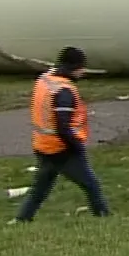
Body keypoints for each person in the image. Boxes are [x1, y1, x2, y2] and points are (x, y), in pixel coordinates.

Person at [14, 46, 113, 221]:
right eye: (81, 67)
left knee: (40, 188)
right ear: (74, 67)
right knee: (91, 185)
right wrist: (76, 146)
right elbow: (63, 126)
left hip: (42, 145)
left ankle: (22, 219)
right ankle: (104, 218)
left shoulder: (45, 79)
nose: (83, 71)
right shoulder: (64, 91)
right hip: (62, 149)